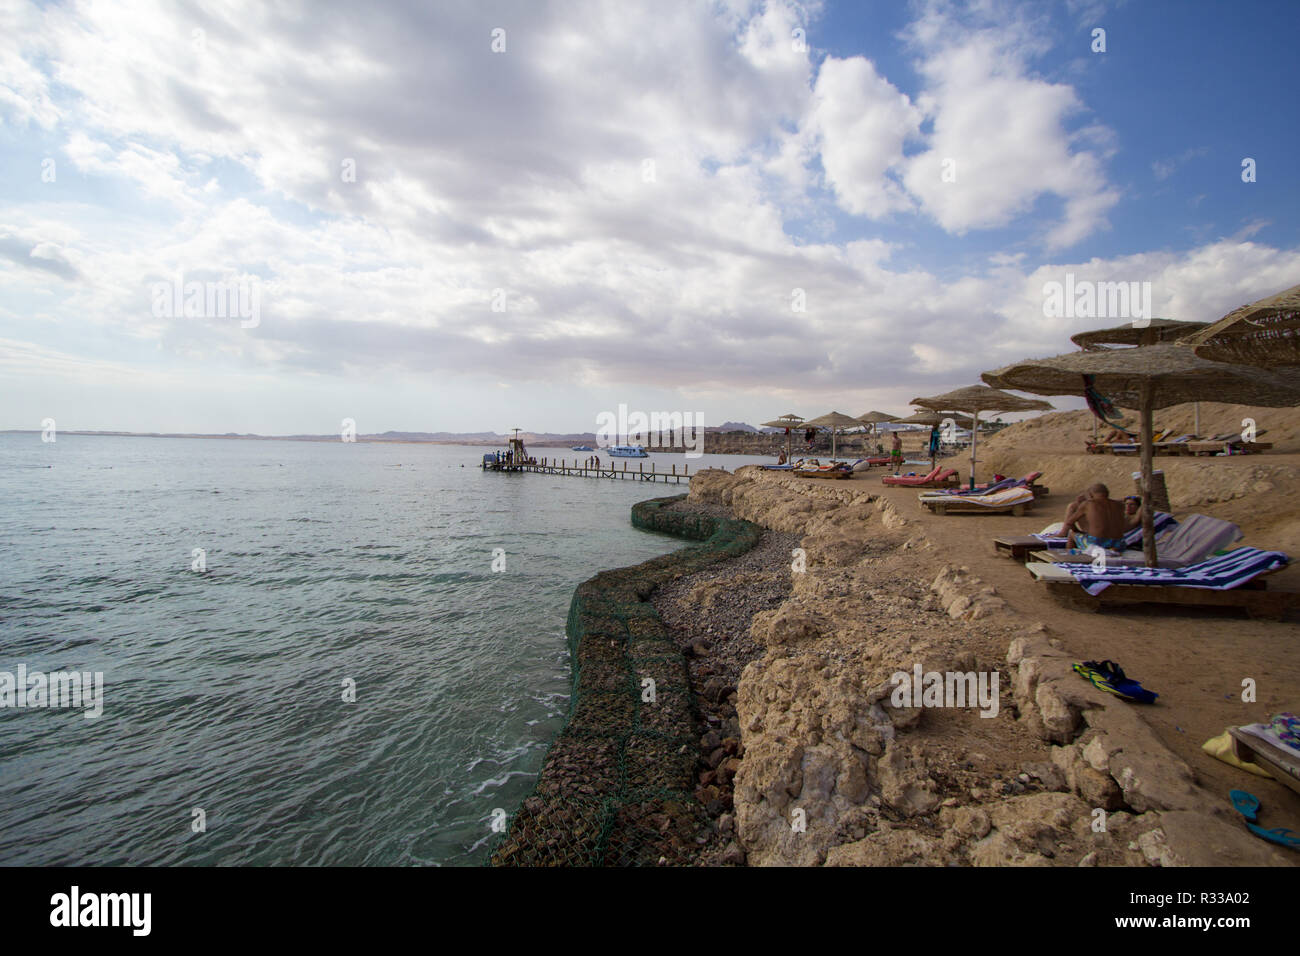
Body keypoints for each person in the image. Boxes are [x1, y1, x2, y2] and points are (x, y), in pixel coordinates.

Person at [1063, 483, 1138, 551]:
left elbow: (1069, 522)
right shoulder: (1120, 505)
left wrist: (1077, 531)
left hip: (1097, 544)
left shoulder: (1088, 504)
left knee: (1071, 534)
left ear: (1090, 494)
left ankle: (1070, 558)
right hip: (1118, 543)